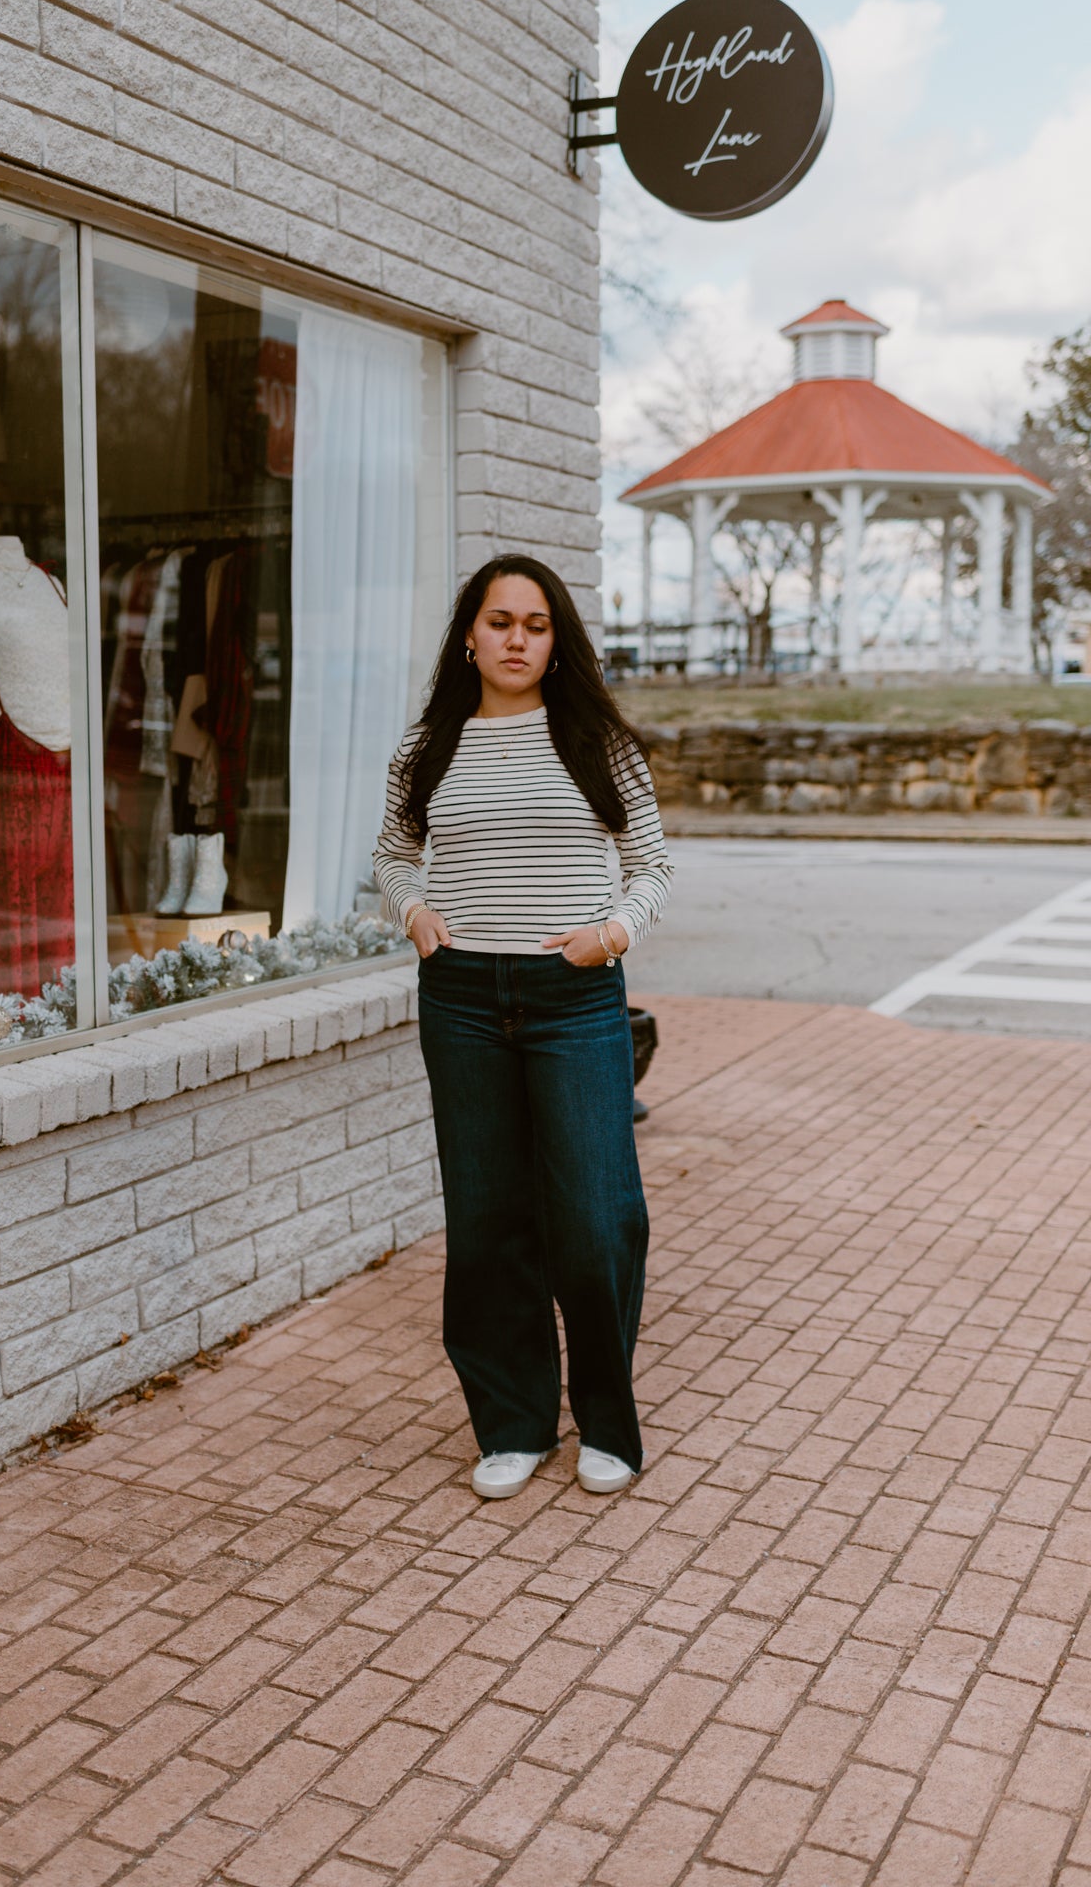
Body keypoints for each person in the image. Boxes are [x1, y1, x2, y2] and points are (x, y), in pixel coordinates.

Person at [373, 555, 672, 1500]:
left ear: (556, 641)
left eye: (535, 625)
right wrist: (416, 916)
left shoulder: (596, 742)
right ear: (470, 633)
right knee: (489, 1215)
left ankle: (608, 1424)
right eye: (499, 621)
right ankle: (511, 1423)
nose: (515, 639)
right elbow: (392, 854)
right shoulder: (427, 747)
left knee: (594, 1216)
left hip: (574, 999)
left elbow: (651, 863)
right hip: (460, 1000)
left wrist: (612, 934)